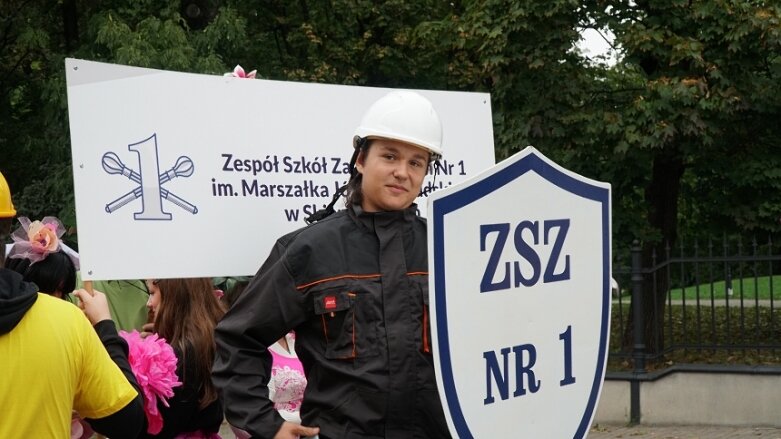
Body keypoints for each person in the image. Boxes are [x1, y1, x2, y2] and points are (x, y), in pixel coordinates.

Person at [213, 90, 452, 438]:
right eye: (389, 156)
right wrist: (267, 425)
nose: (402, 172)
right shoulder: (309, 250)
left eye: (416, 162)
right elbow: (238, 340)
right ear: (360, 159)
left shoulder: (446, 248)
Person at [143, 277, 226, 438]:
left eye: (152, 293)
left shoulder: (181, 356)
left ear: (174, 296)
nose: (149, 303)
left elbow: (162, 426)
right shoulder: (210, 339)